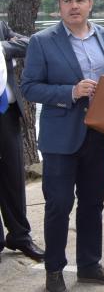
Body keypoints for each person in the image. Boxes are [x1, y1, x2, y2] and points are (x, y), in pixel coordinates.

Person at [21, 0, 104, 292]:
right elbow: (29, 87)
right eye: (67, 1)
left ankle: (90, 266)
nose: (74, 6)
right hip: (61, 139)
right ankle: (54, 271)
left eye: (79, 0)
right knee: (58, 205)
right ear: (59, 6)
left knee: (93, 204)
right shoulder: (42, 41)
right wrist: (71, 91)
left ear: (90, 3)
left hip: (99, 134)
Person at [0, 21, 44, 263]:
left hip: (6, 112)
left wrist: (3, 47)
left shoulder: (1, 27)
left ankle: (20, 236)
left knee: (14, 176)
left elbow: (29, 42)